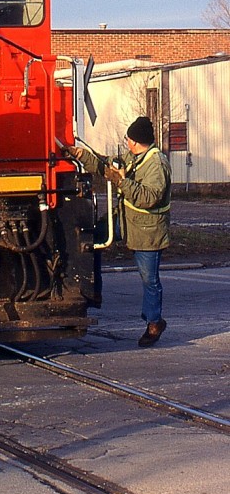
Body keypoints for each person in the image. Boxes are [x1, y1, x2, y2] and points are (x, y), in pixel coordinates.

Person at [66, 116, 171, 347]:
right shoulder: (134, 157)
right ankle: (93, 291)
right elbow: (109, 167)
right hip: (125, 220)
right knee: (92, 239)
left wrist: (124, 183)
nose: (126, 142)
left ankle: (154, 322)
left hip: (147, 230)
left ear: (136, 141)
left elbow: (148, 197)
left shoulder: (157, 164)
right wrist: (83, 156)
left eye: (128, 138)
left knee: (149, 279)